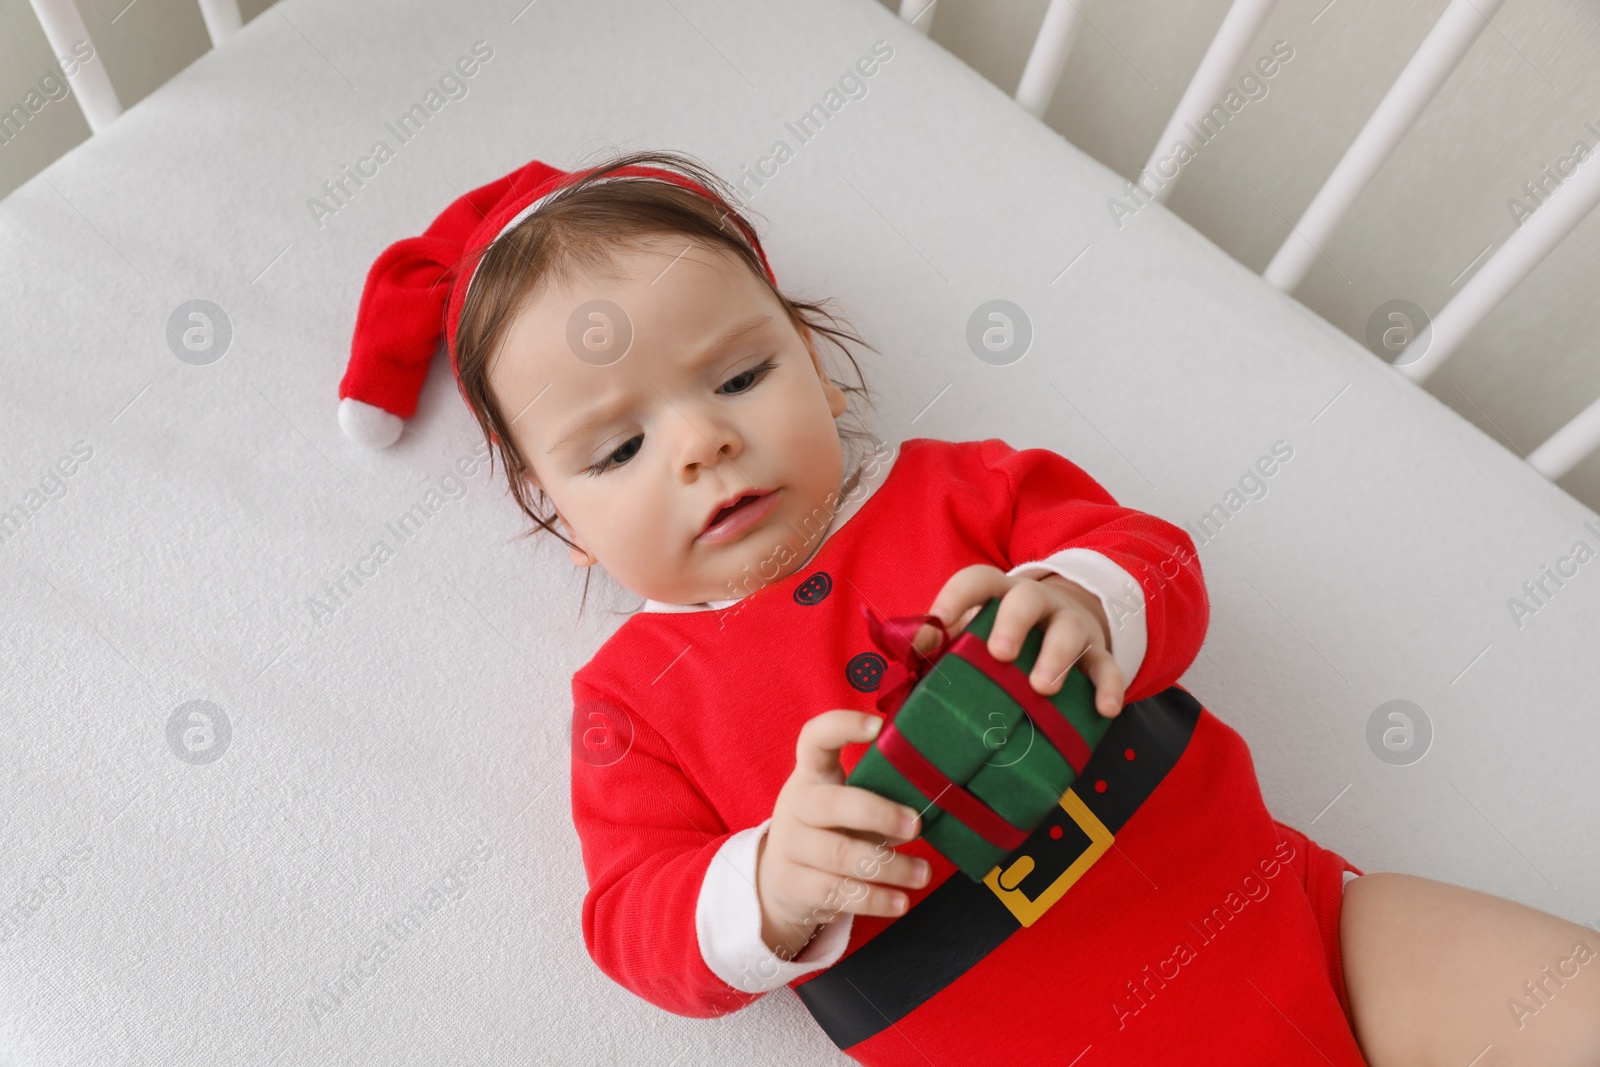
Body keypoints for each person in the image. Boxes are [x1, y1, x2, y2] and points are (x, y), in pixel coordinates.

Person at [337, 147, 1600, 1066]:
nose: (701, 446)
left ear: (821, 372)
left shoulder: (966, 489)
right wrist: (768, 881)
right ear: (563, 525)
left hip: (1301, 921)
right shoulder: (632, 701)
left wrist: (1085, 597)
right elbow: (631, 917)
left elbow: (1151, 558)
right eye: (615, 453)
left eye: (737, 373)